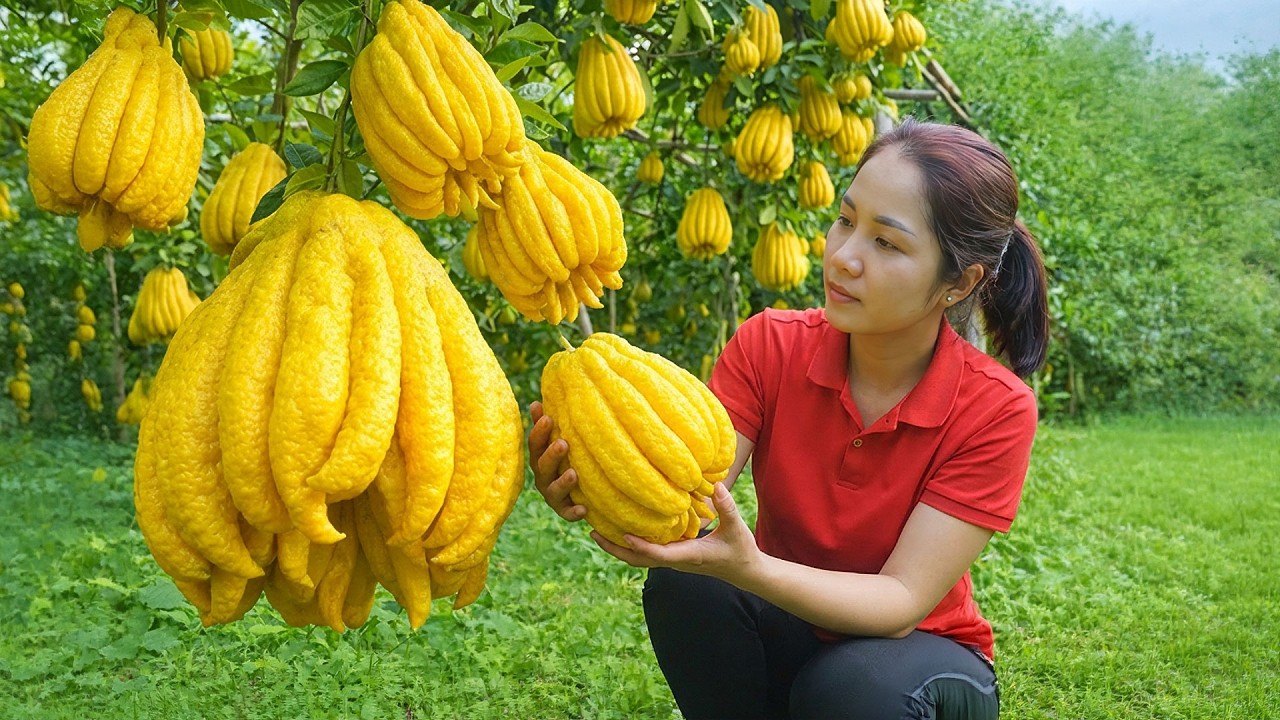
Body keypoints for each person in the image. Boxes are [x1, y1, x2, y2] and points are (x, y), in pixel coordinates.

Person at [527, 118, 1050, 719]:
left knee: (850, 687)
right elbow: (685, 496)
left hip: (922, 658)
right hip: (794, 625)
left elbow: (901, 600)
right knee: (689, 585)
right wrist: (601, 481)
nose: (844, 257)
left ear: (959, 282)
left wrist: (750, 568)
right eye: (846, 220)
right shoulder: (768, 345)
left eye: (886, 243)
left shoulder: (996, 408)